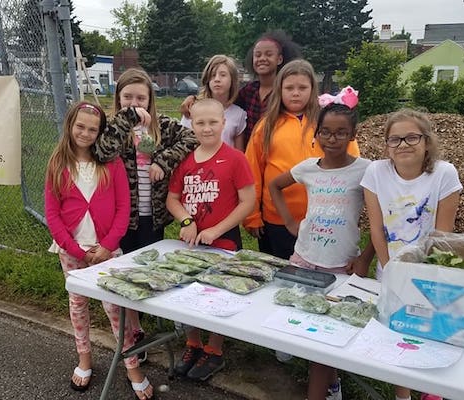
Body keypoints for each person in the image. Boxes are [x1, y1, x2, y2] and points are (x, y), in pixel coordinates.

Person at [268, 89, 374, 400]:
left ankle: (331, 384)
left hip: (340, 262)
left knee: (327, 333)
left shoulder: (366, 170)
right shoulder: (308, 168)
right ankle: (302, 355)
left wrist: (365, 258)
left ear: (352, 135)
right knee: (297, 315)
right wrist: (290, 222)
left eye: (341, 132)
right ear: (317, 134)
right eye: (325, 131)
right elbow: (275, 185)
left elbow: (381, 219)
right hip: (304, 256)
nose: (332, 138)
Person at [44, 102, 154, 400]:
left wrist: (107, 245)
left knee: (115, 308)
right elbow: (52, 213)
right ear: (69, 125)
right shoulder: (57, 163)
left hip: (107, 250)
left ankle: (131, 364)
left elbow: (123, 208)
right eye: (80, 126)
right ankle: (84, 358)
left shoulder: (111, 163)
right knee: (78, 304)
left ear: (101, 132)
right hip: (71, 250)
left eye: (93, 129)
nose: (85, 133)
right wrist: (74, 249)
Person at [93, 67, 198, 363]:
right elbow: (102, 152)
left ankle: (149, 319)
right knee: (125, 272)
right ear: (118, 97)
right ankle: (133, 329)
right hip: (122, 218)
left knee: (148, 270)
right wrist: (127, 119)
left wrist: (163, 161)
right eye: (128, 97)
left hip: (153, 216)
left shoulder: (161, 125)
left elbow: (191, 138)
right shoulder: (112, 127)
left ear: (150, 99)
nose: (134, 103)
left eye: (141, 98)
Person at [361, 108, 462, 400]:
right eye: (395, 139)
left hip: (430, 269)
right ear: (387, 146)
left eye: (412, 137)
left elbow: (442, 236)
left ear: (427, 141)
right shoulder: (376, 172)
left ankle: (432, 390)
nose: (403, 144)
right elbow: (377, 229)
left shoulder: (444, 174)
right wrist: (391, 270)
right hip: (390, 268)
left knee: (430, 329)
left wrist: (422, 276)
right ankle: (402, 393)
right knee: (396, 332)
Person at [166, 98, 255, 381]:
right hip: (191, 242)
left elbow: (248, 201)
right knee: (189, 292)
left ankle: (214, 350)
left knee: (219, 295)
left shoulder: (236, 159)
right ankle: (193, 343)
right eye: (200, 123)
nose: (207, 128)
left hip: (224, 240)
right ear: (192, 124)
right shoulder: (186, 161)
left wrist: (216, 230)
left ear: (223, 123)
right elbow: (173, 199)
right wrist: (187, 221)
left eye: (213, 122)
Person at [244, 59, 360, 260]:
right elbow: (252, 171)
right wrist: (252, 215)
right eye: (289, 88)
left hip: (324, 218)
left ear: (312, 89)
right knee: (281, 271)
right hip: (278, 218)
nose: (295, 93)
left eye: (302, 88)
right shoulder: (266, 126)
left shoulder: (328, 123)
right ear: (279, 90)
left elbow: (352, 165)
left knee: (322, 269)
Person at [181, 30, 301, 148]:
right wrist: (193, 99)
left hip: (277, 150)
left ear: (280, 59)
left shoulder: (285, 92)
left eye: (269, 54)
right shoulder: (249, 91)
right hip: (251, 153)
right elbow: (223, 100)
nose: (262, 58)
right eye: (257, 55)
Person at [179, 55, 247, 151]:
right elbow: (182, 144)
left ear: (232, 79)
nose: (217, 79)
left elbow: (239, 153)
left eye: (223, 75)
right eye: (213, 75)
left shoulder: (239, 114)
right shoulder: (192, 108)